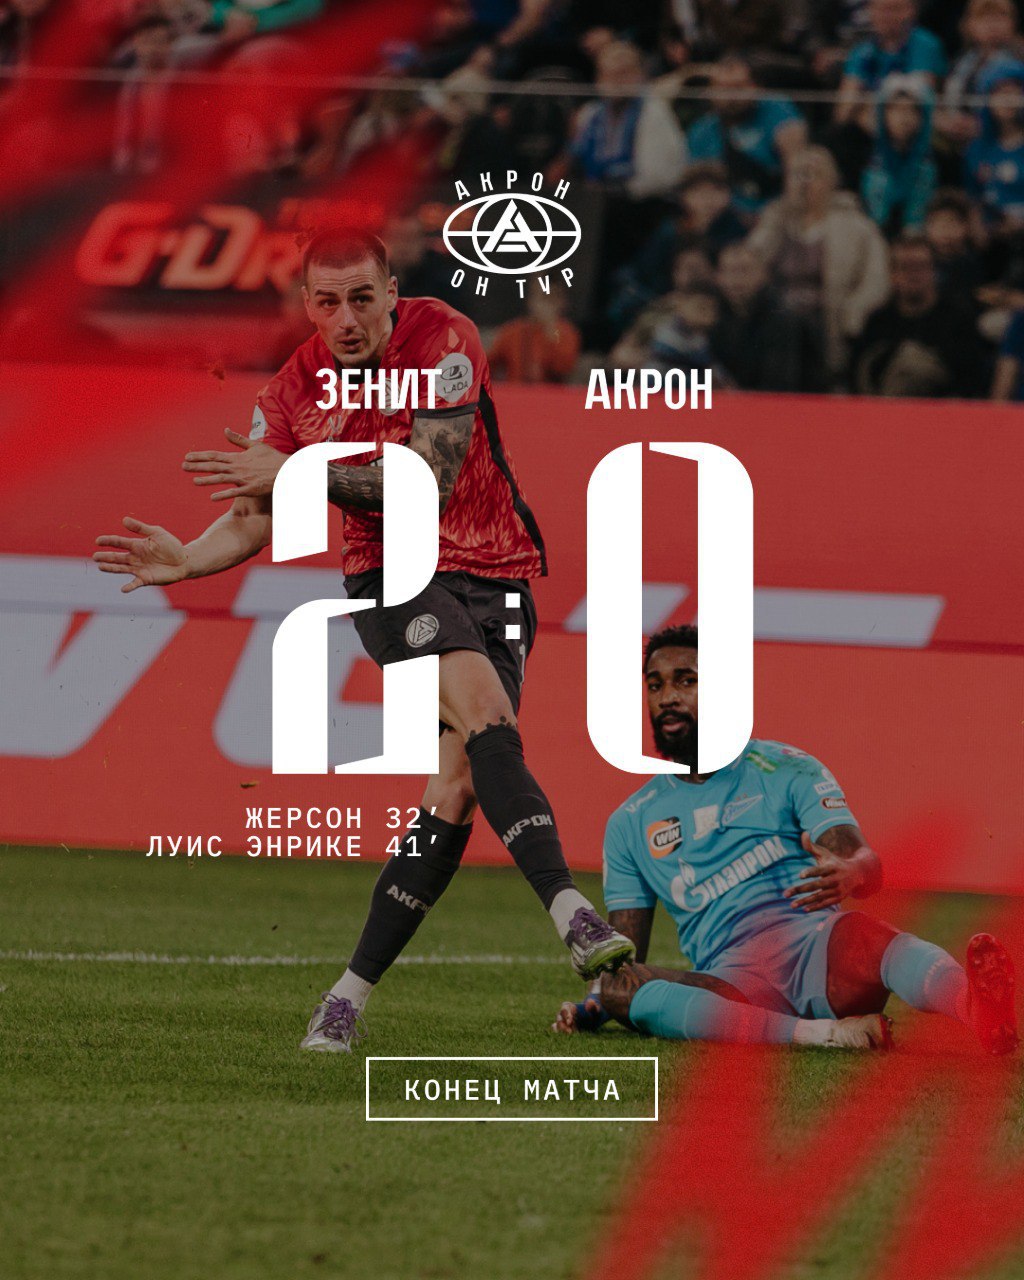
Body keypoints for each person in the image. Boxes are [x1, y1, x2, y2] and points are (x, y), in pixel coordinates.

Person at [93, 229, 634, 1052]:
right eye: (326, 301)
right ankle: (571, 912)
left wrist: (300, 473)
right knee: (487, 713)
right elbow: (253, 516)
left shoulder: (446, 338)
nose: (345, 318)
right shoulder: (290, 392)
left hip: (498, 574)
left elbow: (431, 478)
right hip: (391, 576)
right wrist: (190, 559)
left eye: (360, 298)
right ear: (306, 305)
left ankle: (344, 998)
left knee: (457, 787)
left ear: (390, 292)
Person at [554, 625, 1019, 1056]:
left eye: (686, 681)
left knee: (865, 934)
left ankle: (976, 1008)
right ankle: (823, 1035)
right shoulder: (630, 822)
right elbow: (624, 956)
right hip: (732, 983)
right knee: (620, 987)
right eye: (655, 686)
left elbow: (864, 862)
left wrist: (853, 872)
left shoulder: (787, 768)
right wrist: (595, 1005)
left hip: (820, 954)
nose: (667, 698)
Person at [747, 145, 890, 383]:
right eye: (798, 174)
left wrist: (854, 312)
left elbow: (876, 280)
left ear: (832, 181)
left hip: (829, 319)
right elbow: (750, 262)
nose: (805, 182)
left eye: (813, 174)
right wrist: (778, 217)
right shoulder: (774, 219)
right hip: (774, 321)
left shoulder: (857, 227)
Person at [849, 232, 991, 396]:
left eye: (920, 266)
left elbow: (972, 383)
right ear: (892, 274)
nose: (913, 275)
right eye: (905, 267)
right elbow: (857, 380)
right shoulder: (877, 323)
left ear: (933, 271)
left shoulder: (959, 321)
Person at [687, 56, 807, 216]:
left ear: (755, 87)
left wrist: (786, 213)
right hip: (726, 216)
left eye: (738, 87)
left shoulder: (777, 109)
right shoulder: (701, 132)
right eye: (723, 88)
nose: (731, 96)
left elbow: (797, 165)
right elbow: (696, 187)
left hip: (777, 210)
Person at [712, 243, 815, 391]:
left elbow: (779, 385)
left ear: (763, 274)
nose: (735, 279)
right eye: (728, 271)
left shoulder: (782, 320)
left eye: (744, 270)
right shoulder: (713, 317)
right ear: (717, 277)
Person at [835, 0, 946, 123]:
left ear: (911, 11)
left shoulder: (925, 45)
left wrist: (867, 106)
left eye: (894, 9)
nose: (886, 16)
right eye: (880, 9)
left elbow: (919, 103)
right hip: (870, 125)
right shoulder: (862, 50)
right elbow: (844, 110)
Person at [860, 73, 937, 236]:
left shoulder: (934, 159)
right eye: (897, 109)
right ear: (883, 114)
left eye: (912, 110)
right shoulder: (863, 152)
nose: (904, 118)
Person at [487, 278, 581, 383]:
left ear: (562, 302)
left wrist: (550, 330)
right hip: (515, 390)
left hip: (549, 392)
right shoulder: (513, 331)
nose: (546, 305)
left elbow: (564, 368)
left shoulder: (566, 332)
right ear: (531, 300)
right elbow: (487, 364)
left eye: (552, 298)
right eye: (543, 298)